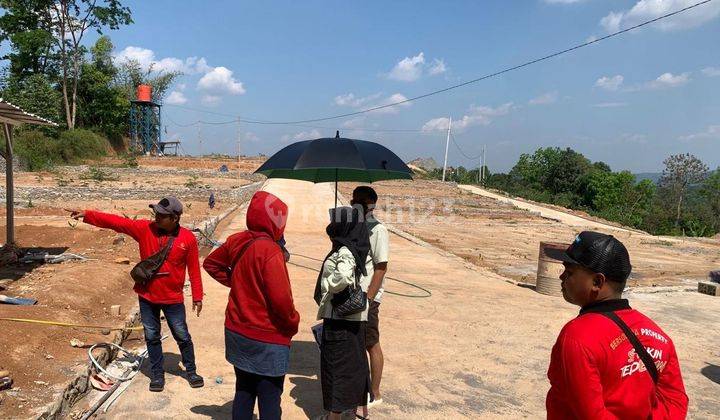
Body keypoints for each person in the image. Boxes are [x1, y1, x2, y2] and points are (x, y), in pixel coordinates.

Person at [545, 231, 688, 419]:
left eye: (569, 272)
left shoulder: (577, 337)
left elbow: (591, 415)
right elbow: (676, 400)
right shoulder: (657, 335)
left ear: (597, 282)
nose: (561, 277)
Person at [67, 197, 204, 392]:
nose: (156, 217)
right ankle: (157, 375)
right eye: (155, 213)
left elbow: (194, 270)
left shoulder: (188, 238)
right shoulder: (144, 229)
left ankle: (191, 371)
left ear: (175, 218)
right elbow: (118, 223)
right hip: (147, 296)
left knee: (182, 336)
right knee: (152, 336)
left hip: (173, 299)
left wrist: (197, 296)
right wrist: (88, 215)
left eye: (162, 215)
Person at [203, 191, 300, 420]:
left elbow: (211, 264)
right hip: (267, 339)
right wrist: (293, 322)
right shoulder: (271, 251)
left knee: (244, 391)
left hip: (237, 332)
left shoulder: (238, 240)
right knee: (269, 398)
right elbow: (281, 302)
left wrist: (239, 284)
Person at [314, 206, 372, 420]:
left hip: (340, 318)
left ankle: (334, 417)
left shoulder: (345, 250)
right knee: (350, 365)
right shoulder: (351, 245)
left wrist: (327, 285)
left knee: (335, 368)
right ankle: (350, 411)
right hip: (349, 318)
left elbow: (344, 277)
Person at [351, 186, 389, 406]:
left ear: (371, 204)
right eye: (355, 199)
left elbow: (381, 267)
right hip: (352, 295)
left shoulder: (378, 230)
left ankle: (375, 392)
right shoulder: (353, 226)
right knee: (355, 343)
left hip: (368, 297)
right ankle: (359, 386)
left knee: (370, 342)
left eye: (362, 201)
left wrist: (370, 298)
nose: (356, 203)